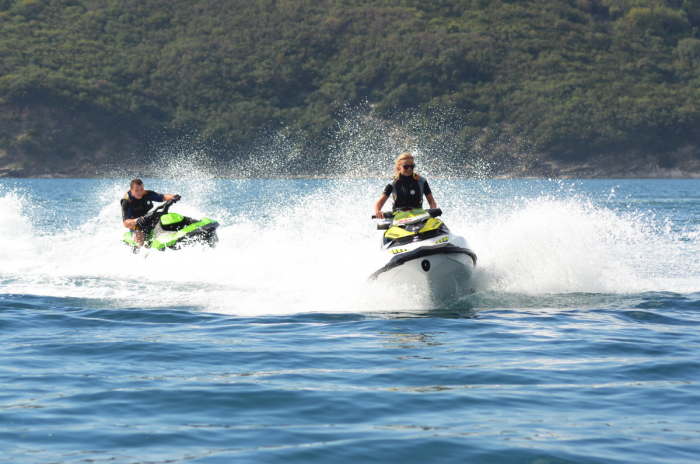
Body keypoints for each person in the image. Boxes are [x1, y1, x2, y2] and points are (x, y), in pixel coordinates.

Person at [374, 153, 437, 219]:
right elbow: (380, 202)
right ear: (399, 166)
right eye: (406, 167)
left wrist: (432, 211)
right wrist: (378, 212)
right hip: (398, 217)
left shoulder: (421, 181)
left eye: (412, 166)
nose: (409, 169)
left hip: (418, 216)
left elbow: (432, 201)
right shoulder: (393, 182)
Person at [121, 178, 179, 247]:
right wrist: (137, 220)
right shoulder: (126, 202)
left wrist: (174, 197)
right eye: (137, 190)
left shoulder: (146, 194)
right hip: (136, 226)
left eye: (141, 189)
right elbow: (126, 223)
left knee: (163, 218)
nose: (140, 192)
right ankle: (143, 251)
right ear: (131, 190)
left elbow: (163, 197)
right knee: (138, 235)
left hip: (148, 219)